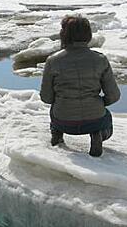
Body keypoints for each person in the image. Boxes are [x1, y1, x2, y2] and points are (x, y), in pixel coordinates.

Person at [40, 15, 120, 157]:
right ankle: (99, 134)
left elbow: (46, 97)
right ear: (88, 35)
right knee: (106, 117)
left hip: (63, 120)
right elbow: (113, 96)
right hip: (95, 120)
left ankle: (57, 134)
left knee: (55, 109)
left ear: (64, 35)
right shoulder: (100, 60)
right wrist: (100, 102)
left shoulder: (53, 61)